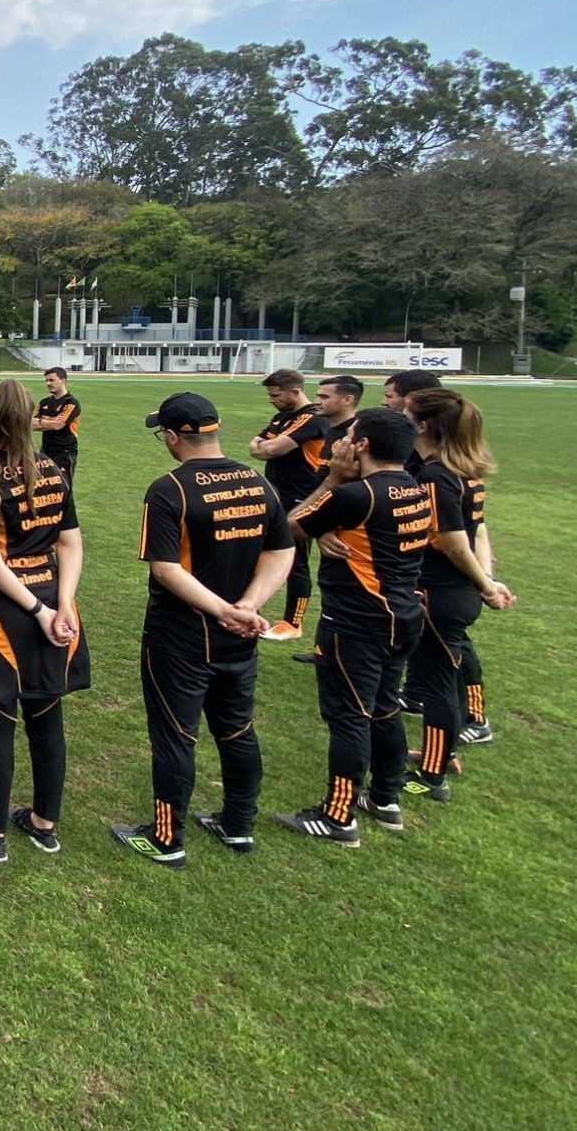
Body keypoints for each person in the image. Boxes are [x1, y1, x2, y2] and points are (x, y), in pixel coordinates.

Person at [111, 394, 294, 868]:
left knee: (175, 736)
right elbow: (282, 552)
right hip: (241, 635)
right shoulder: (258, 482)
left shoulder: (169, 489)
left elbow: (166, 568)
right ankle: (238, 825)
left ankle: (167, 839)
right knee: (237, 730)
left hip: (183, 636)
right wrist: (248, 606)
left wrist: (224, 609)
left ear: (173, 437)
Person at [276, 408, 432, 846]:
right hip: (404, 616)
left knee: (349, 716)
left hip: (356, 621)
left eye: (349, 438)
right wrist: (324, 528)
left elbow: (287, 527)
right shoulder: (414, 488)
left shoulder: (353, 495)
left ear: (361, 445)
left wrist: (332, 481)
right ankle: (385, 798)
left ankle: (338, 817)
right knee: (384, 708)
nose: (341, 443)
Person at [0, 379, 88, 865]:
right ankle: (44, 824)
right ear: (28, 418)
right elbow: (70, 542)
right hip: (50, 602)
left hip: (1, 616)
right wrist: (63, 602)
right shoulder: (52, 469)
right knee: (47, 720)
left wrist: (43, 609)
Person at [404, 389, 514, 797]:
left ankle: (432, 777)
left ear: (423, 425)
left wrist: (485, 584)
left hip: (437, 593)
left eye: (408, 414)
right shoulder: (467, 473)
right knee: (443, 678)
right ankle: (440, 753)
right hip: (457, 591)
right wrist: (486, 579)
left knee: (437, 684)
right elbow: (478, 532)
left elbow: (451, 541)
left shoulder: (435, 476)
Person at [249, 372, 363, 642]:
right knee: (262, 552)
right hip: (277, 495)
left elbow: (272, 448)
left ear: (294, 392)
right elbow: (256, 447)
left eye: (275, 395)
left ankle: (293, 622)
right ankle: (253, 605)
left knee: (295, 561)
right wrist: (266, 446)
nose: (271, 401)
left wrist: (268, 445)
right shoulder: (282, 418)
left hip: (302, 497)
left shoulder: (313, 418)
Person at [32, 367, 81, 487]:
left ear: (63, 381)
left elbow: (58, 425)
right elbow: (29, 423)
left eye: (51, 380)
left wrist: (41, 422)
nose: (48, 383)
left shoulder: (71, 403)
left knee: (63, 486)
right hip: (45, 451)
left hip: (64, 452)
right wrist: (49, 423)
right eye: (46, 381)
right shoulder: (44, 402)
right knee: (43, 486)